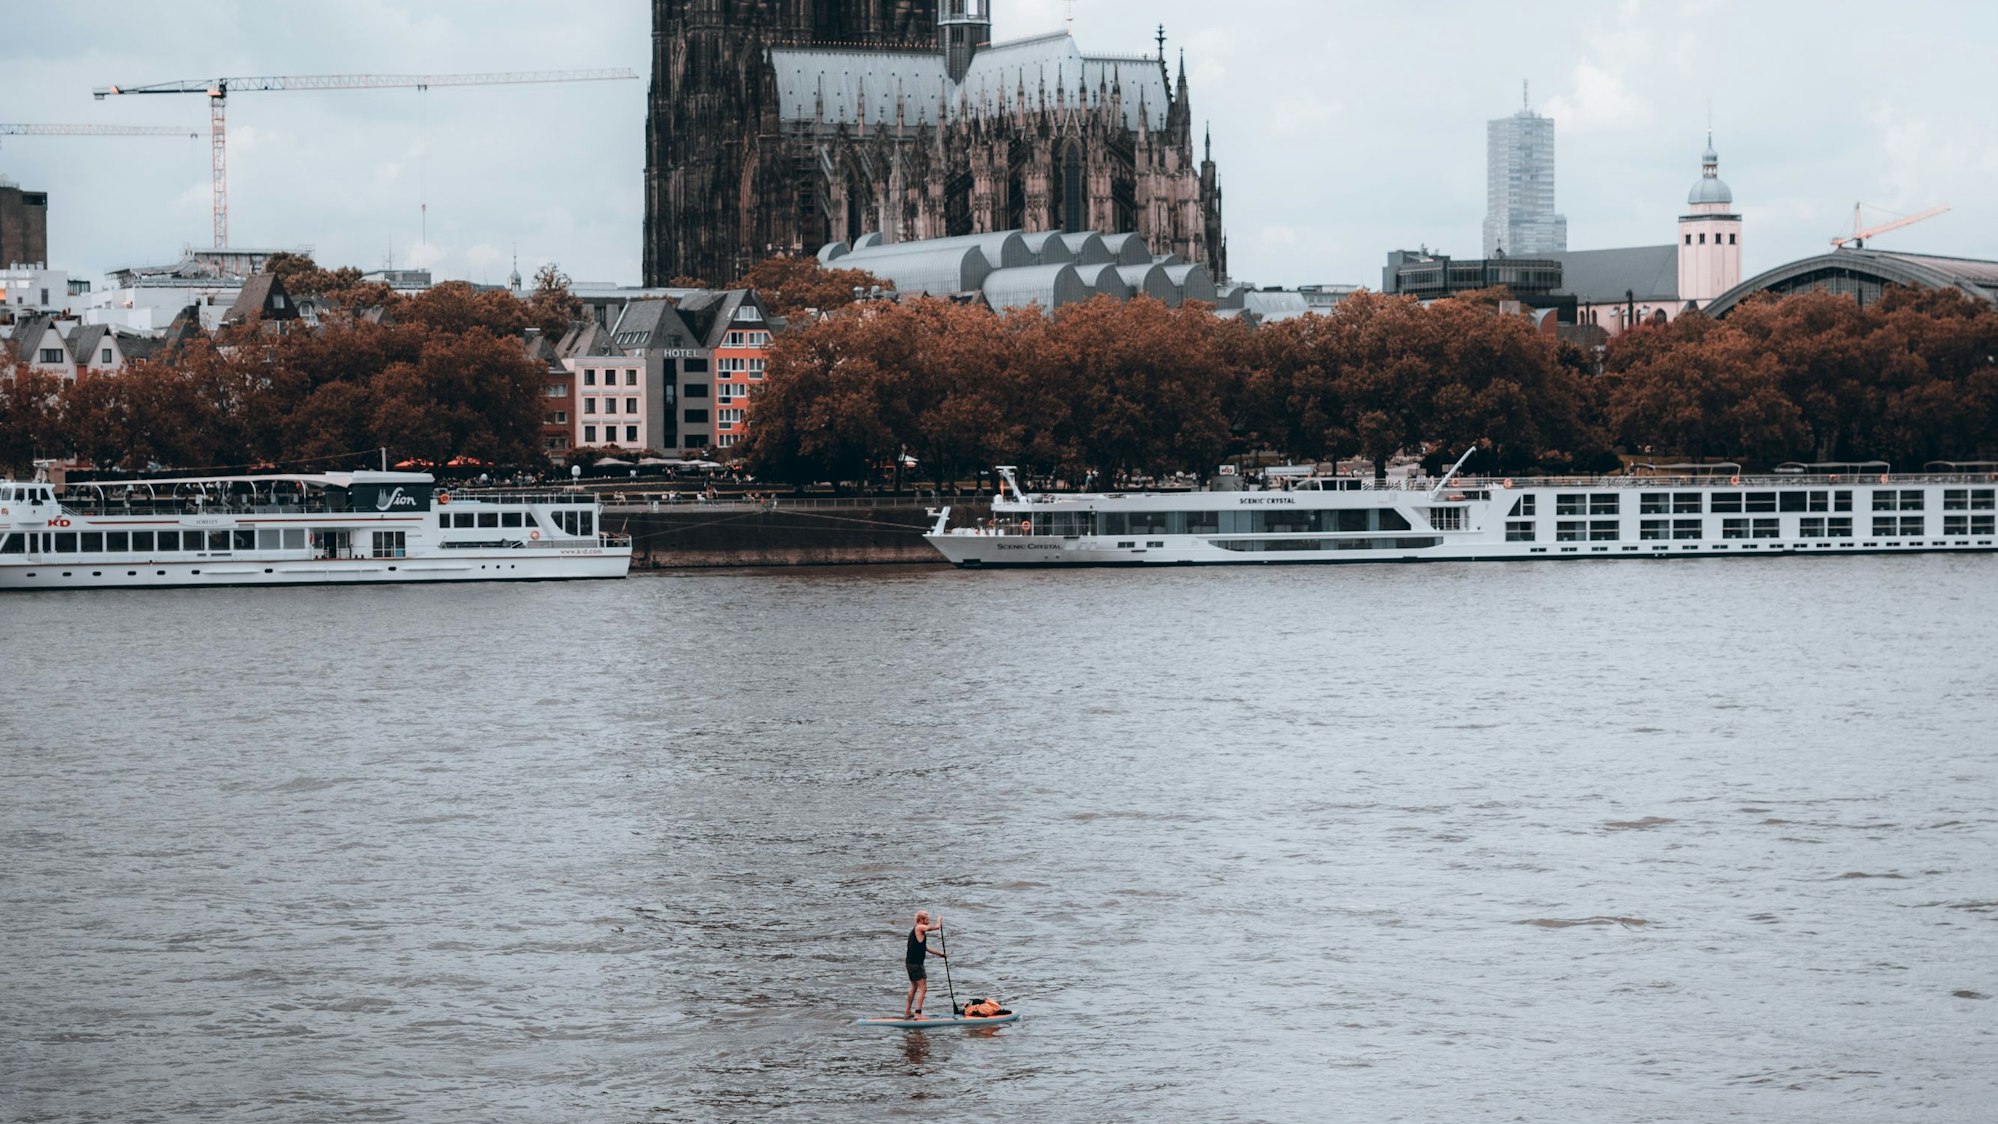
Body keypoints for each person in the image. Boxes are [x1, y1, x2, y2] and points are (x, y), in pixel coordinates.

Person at [903, 910, 946, 1019]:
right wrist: (938, 922)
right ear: (921, 920)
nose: (928, 921)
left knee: (914, 986)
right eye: (927, 919)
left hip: (910, 963)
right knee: (923, 988)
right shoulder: (919, 927)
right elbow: (934, 928)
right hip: (916, 964)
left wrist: (940, 954)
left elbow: (925, 948)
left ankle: (907, 1012)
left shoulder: (919, 932)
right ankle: (918, 1014)